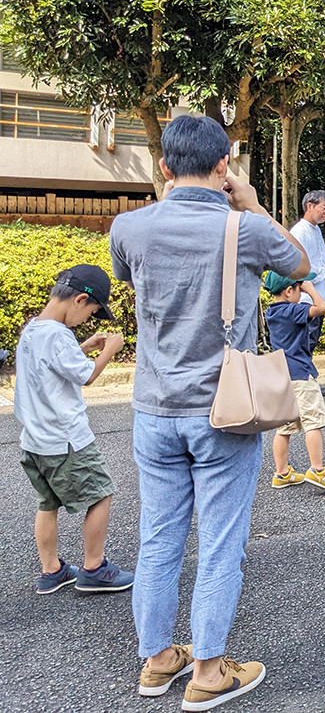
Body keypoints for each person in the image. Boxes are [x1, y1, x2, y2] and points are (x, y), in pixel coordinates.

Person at [109, 114, 309, 709]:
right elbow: (298, 263)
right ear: (225, 166)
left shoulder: (130, 226)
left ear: (163, 168)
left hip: (153, 406)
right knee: (221, 544)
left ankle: (155, 661)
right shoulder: (243, 228)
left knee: (158, 540)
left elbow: (128, 276)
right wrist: (250, 202)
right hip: (225, 408)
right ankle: (209, 671)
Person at [14, 265, 133, 595]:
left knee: (47, 503)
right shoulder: (58, 335)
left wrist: (84, 345)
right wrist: (109, 349)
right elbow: (87, 376)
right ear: (80, 299)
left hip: (34, 441)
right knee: (101, 493)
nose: (89, 318)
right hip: (66, 440)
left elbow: (54, 365)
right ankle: (93, 567)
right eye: (92, 311)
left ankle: (51, 571)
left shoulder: (33, 330)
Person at [264, 271, 325, 493]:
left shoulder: (272, 311)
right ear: (289, 291)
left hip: (281, 375)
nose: (302, 289)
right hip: (300, 373)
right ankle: (317, 470)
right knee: (313, 421)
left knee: (284, 427)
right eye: (299, 287)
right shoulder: (293, 310)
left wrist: (302, 286)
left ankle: (282, 473)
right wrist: (310, 288)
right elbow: (322, 308)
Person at [290, 189, 325, 392]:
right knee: (305, 342)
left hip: (317, 295)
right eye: (324, 208)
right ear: (310, 206)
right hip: (305, 297)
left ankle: (306, 381)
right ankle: (303, 382)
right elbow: (300, 266)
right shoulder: (299, 232)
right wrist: (324, 271)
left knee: (309, 341)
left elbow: (321, 260)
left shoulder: (315, 230)